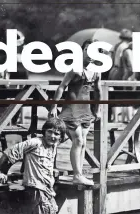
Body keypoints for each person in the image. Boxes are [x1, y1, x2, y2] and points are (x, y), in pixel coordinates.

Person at [50, 39, 102, 186]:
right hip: (71, 108)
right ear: (82, 51)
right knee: (78, 140)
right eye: (88, 50)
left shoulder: (96, 71)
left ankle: (79, 174)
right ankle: (77, 174)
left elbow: (98, 91)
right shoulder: (75, 68)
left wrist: (97, 110)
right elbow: (62, 86)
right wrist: (54, 106)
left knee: (83, 142)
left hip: (86, 109)